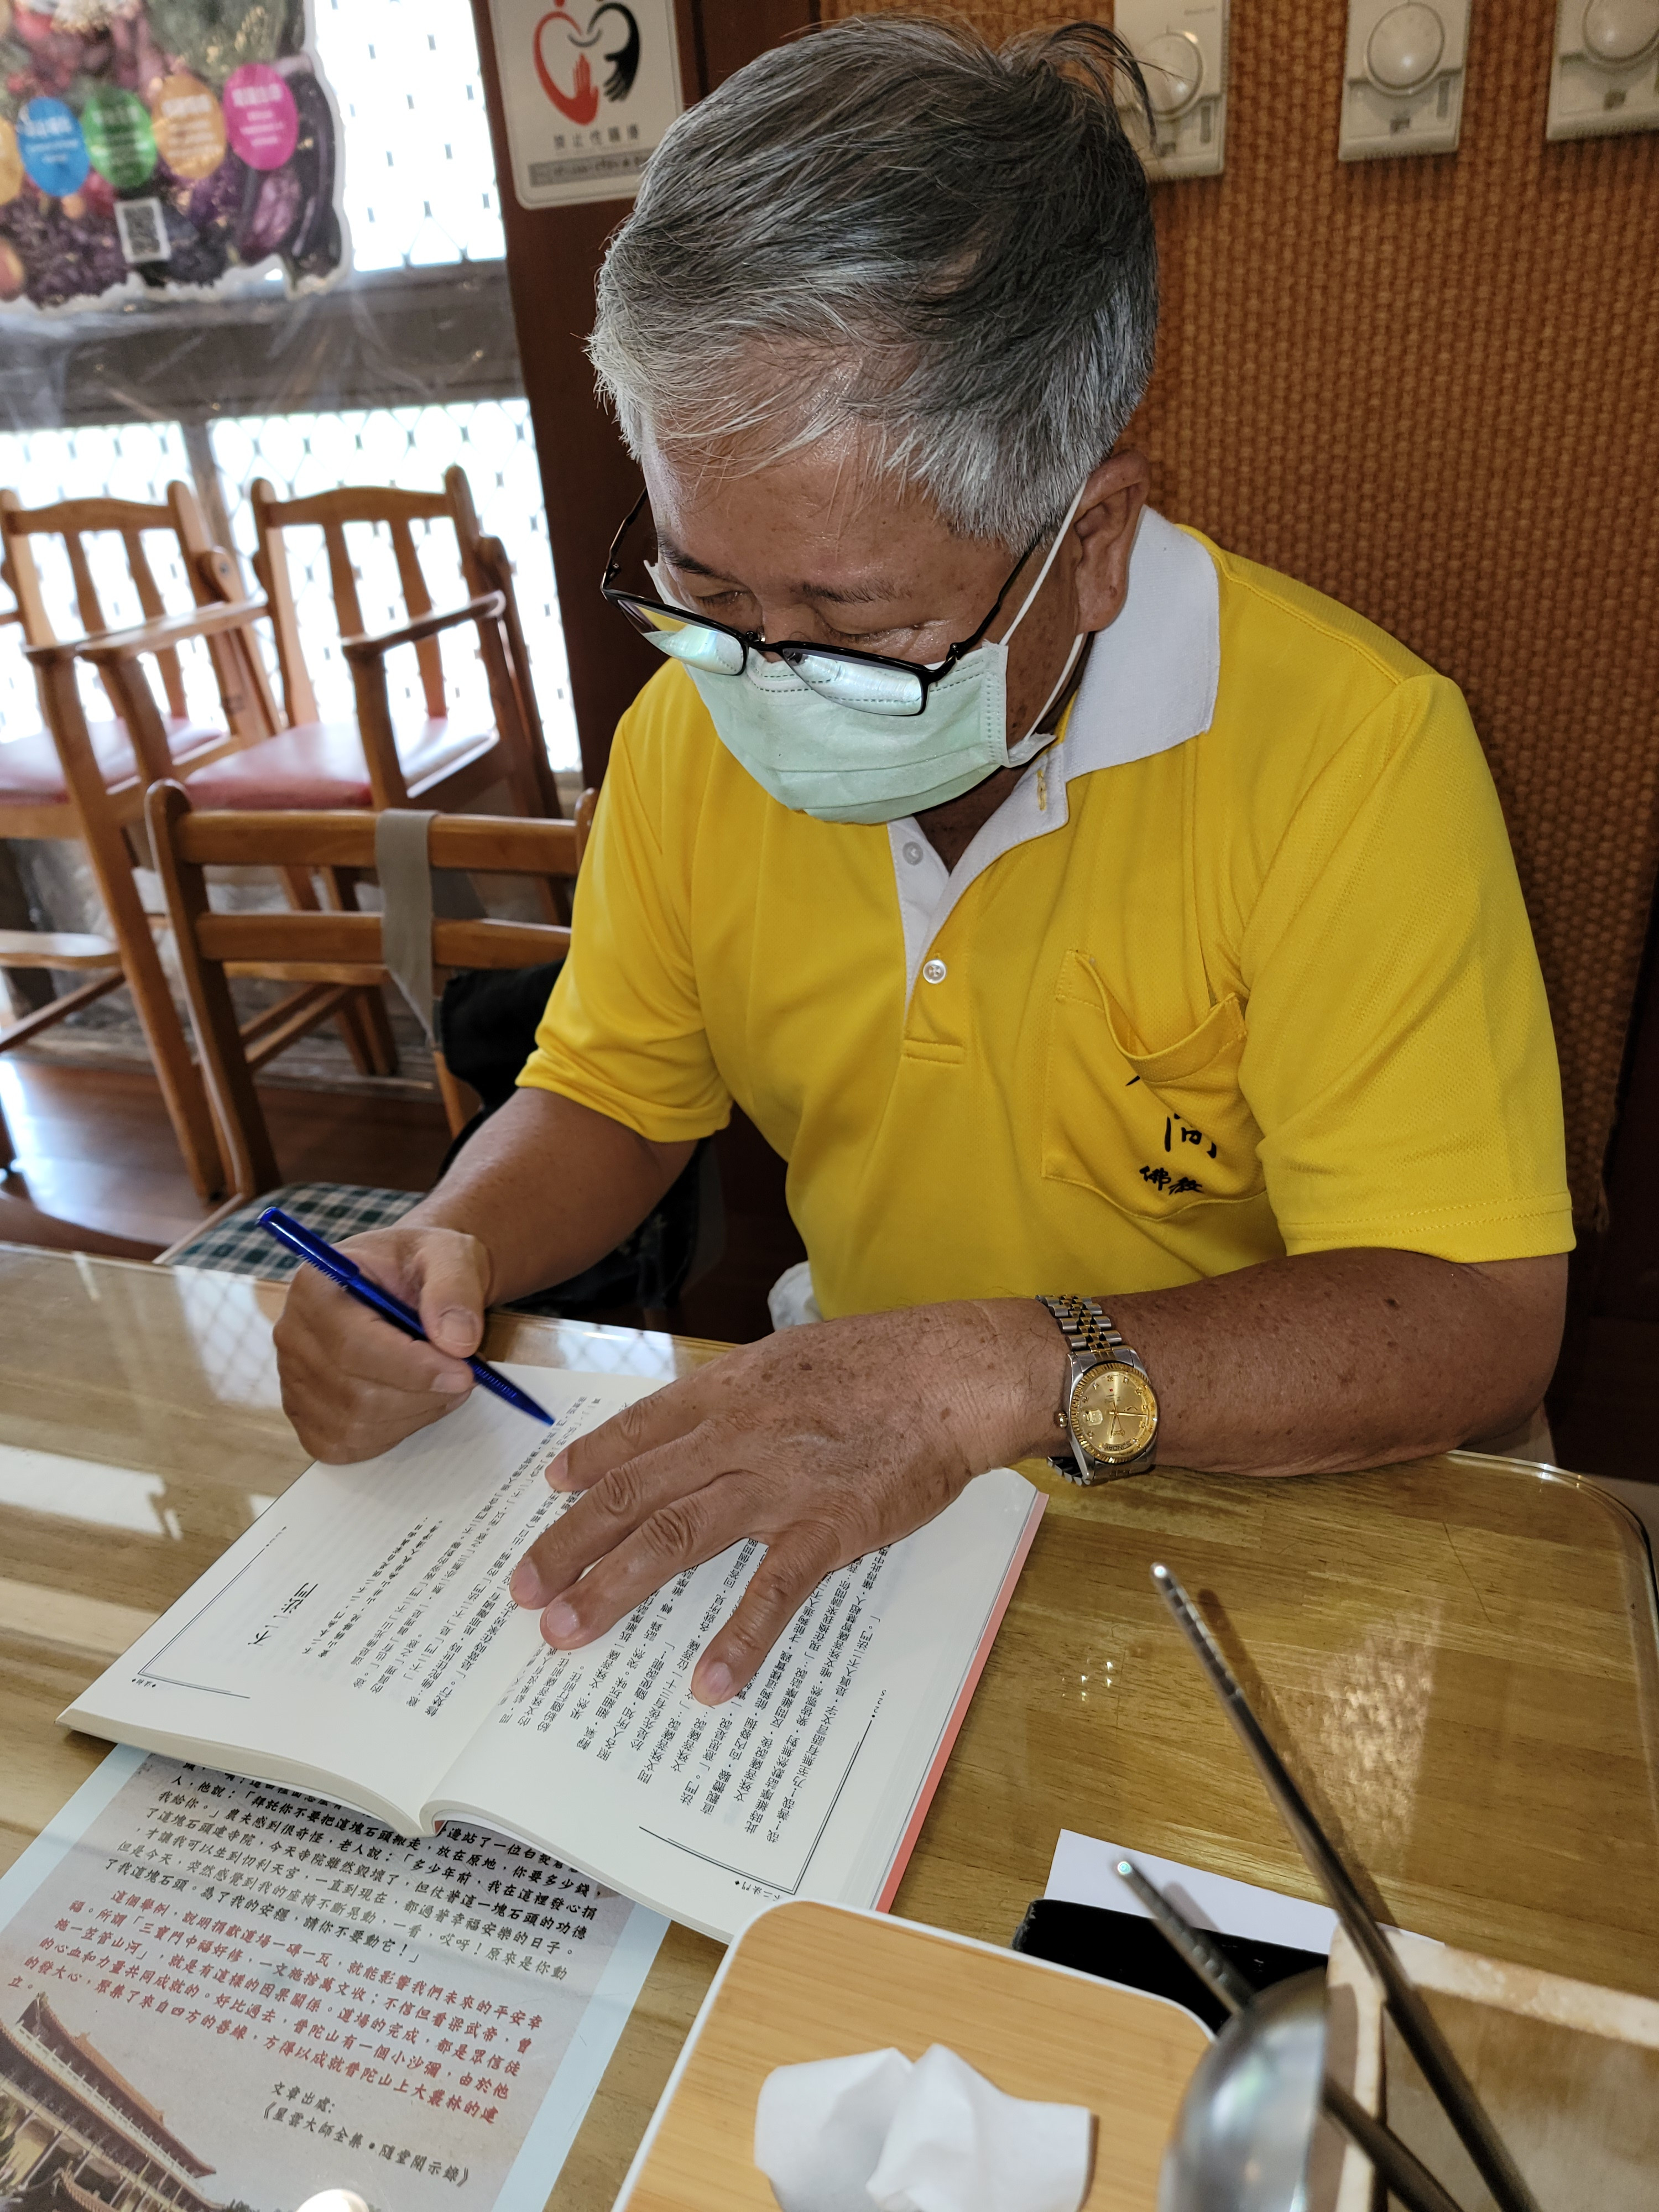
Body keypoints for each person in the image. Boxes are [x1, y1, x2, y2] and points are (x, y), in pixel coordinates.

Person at [275, 16, 1571, 1708]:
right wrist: (446, 1247)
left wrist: (1007, 1368)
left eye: (857, 625)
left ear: (1091, 543)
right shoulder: (690, 734)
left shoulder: (1352, 754)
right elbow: (613, 1095)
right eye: (707, 592)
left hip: (1262, 1520)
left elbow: (1478, 1320)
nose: (763, 674)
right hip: (874, 1488)